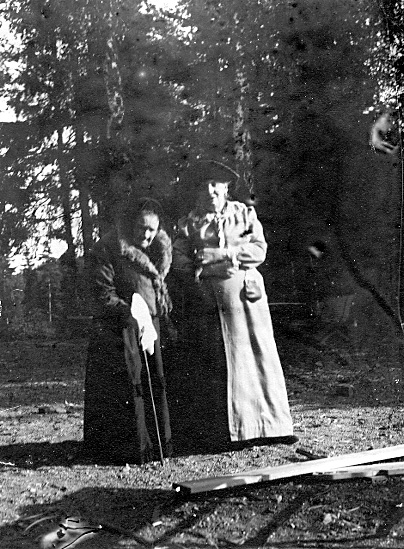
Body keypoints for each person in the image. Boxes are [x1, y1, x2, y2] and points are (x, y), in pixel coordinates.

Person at [172, 160, 296, 452]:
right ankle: (221, 433)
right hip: (209, 302)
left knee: (254, 358)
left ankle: (267, 427)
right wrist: (203, 266)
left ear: (226, 187)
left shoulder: (244, 214)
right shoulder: (190, 223)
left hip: (246, 303)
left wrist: (224, 254)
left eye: (216, 184)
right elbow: (178, 260)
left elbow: (259, 250)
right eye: (204, 186)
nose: (210, 191)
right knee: (216, 361)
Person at [83, 197, 173, 465]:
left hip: (151, 328)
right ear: (130, 223)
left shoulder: (159, 250)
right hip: (120, 329)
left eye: (152, 229)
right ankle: (130, 447)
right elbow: (102, 291)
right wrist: (130, 313)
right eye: (141, 227)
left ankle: (158, 444)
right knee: (128, 387)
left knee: (154, 384)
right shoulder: (108, 247)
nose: (146, 235)